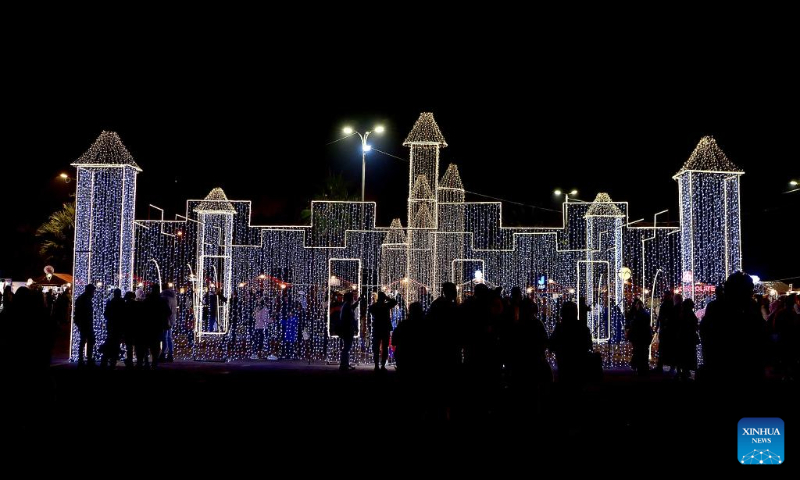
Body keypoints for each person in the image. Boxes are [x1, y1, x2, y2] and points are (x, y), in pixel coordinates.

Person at [368, 291, 398, 371]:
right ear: (384, 298)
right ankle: (382, 366)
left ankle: (376, 365)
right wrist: (387, 298)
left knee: (376, 348)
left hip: (377, 328)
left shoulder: (373, 306)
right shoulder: (386, 305)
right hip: (385, 328)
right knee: (385, 347)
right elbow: (395, 302)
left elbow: (370, 311)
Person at [626, 298, 652, 376]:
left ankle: (639, 367)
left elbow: (632, 323)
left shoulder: (637, 314)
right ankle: (643, 368)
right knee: (643, 352)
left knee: (638, 352)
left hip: (639, 336)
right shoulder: (645, 313)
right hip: (644, 336)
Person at [101, 288, 125, 368]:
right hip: (118, 326)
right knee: (116, 344)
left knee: (110, 342)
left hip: (111, 326)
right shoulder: (122, 303)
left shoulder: (110, 302)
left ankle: (106, 360)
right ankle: (112, 361)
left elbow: (106, 314)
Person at [74, 284, 96, 367]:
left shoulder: (83, 298)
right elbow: (82, 312)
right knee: (88, 341)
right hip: (85, 323)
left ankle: (83, 359)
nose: (94, 292)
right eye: (93, 291)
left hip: (84, 323)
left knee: (84, 341)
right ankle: (87, 359)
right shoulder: (85, 299)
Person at [338, 291, 358, 371]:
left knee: (346, 347)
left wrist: (358, 302)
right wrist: (356, 327)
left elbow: (352, 308)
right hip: (348, 329)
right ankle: (344, 365)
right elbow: (351, 318)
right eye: (352, 297)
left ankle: (345, 364)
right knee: (346, 347)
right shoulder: (346, 306)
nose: (353, 298)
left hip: (346, 329)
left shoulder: (346, 305)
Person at [160, 284, 177, 362]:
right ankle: (170, 353)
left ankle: (163, 353)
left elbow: (166, 310)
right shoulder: (173, 297)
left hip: (165, 319)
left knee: (165, 337)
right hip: (172, 319)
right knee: (169, 337)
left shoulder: (164, 298)